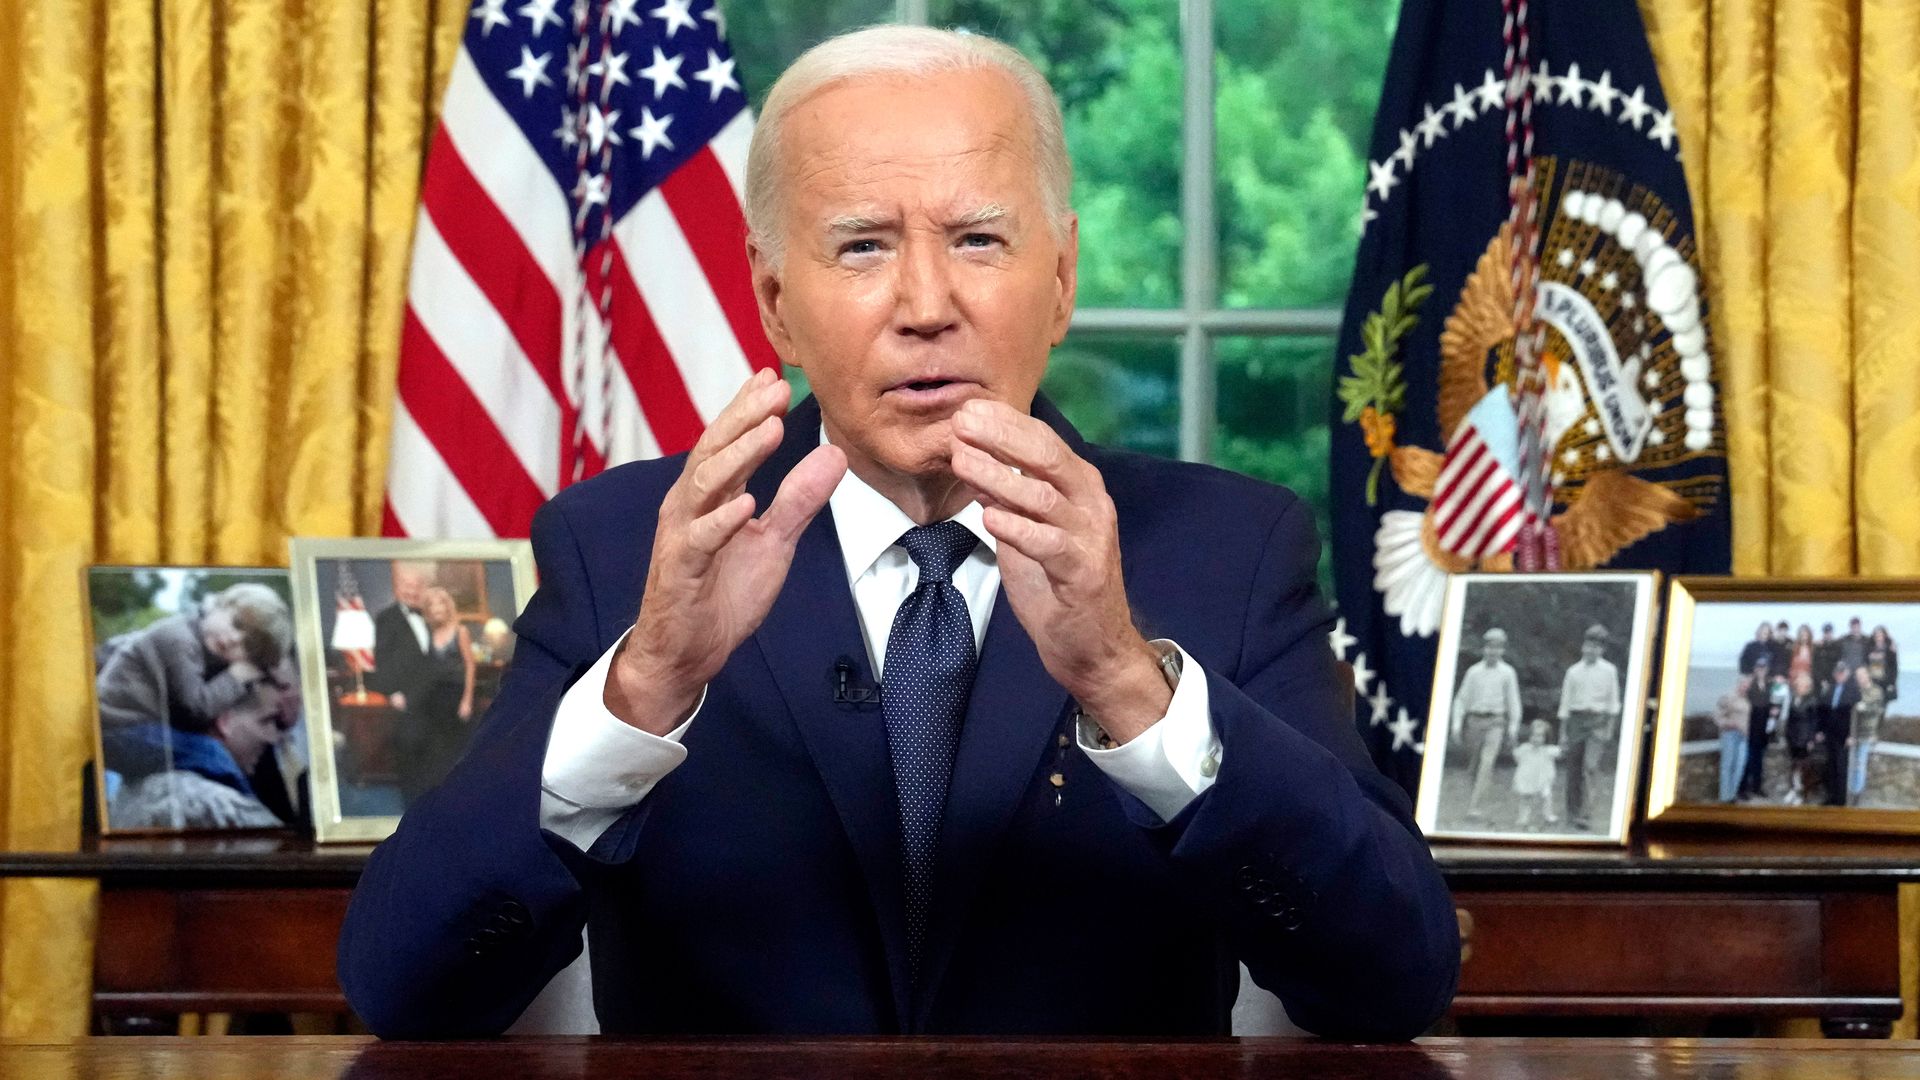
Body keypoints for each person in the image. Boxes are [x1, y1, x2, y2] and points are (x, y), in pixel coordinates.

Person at [337, 27, 1457, 1042]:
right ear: (775, 301)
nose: (927, 303)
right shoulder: (625, 547)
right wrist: (644, 688)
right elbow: (407, 990)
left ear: (1060, 280)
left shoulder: (1230, 546)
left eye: (977, 239)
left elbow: (1392, 982)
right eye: (864, 246)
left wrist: (1127, 682)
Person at [109, 663, 301, 830]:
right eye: (266, 721)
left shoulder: (138, 785)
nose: (273, 739)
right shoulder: (219, 808)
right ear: (224, 720)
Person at [95, 582, 292, 735]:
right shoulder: (180, 638)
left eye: (248, 645)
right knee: (206, 753)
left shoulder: (207, 651)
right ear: (220, 605)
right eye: (237, 623)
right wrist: (237, 676)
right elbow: (195, 709)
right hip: (114, 720)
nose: (234, 639)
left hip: (136, 723)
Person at [391, 586, 477, 803]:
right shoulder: (428, 633)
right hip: (432, 697)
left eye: (440, 605)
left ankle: (456, 795)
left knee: (455, 747)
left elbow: (470, 666)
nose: (437, 610)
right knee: (432, 746)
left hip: (455, 695)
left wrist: (467, 701)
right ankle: (433, 792)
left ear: (447, 607)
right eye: (432, 606)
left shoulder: (461, 631)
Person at [362, 561, 438, 797]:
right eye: (407, 585)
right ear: (397, 587)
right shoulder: (387, 619)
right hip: (407, 704)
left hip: (434, 700)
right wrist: (393, 693)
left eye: (418, 585)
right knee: (411, 761)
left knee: (438, 762)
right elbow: (381, 663)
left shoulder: (434, 615)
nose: (413, 591)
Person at [1451, 627, 1524, 822]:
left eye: (1498, 648)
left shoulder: (1508, 673)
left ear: (1503, 650)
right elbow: (1461, 700)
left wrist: (1513, 728)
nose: (1493, 652)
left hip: (1496, 722)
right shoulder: (1474, 672)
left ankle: (1474, 807)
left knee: (1487, 763)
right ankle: (1475, 798)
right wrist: (1457, 724)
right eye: (1490, 647)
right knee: (1474, 766)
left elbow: (1513, 702)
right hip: (1475, 721)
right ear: (1485, 649)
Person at [1556, 624, 1621, 830]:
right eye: (1589, 645)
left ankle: (1586, 814)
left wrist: (1610, 726)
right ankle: (1572, 812)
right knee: (1573, 769)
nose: (1592, 650)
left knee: (1590, 767)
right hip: (1576, 721)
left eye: (1597, 646)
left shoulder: (1609, 671)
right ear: (1583, 647)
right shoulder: (1573, 672)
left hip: (1598, 722)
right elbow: (1565, 704)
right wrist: (1563, 732)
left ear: (1602, 649)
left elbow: (1613, 702)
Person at [1820, 661, 1861, 806]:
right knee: (1830, 767)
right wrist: (1821, 730)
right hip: (1830, 734)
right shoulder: (1830, 689)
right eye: (1837, 672)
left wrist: (1852, 735)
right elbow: (1823, 711)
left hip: (1844, 736)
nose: (1839, 675)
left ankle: (1841, 800)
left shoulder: (1854, 690)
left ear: (1847, 673)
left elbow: (1856, 716)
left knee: (1841, 767)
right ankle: (1831, 797)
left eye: (1842, 672)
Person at [1737, 654, 1776, 800]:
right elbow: (1746, 703)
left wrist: (1773, 709)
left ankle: (1757, 787)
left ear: (1767, 669)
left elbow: (1773, 702)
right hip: (1750, 727)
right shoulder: (1749, 685)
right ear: (1755, 669)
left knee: (1759, 761)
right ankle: (1742, 789)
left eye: (1764, 667)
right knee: (1747, 760)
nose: (1761, 670)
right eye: (1759, 667)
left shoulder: (1770, 685)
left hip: (1763, 729)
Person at [1510, 719, 1560, 831]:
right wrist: (1513, 743)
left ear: (1545, 738)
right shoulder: (1525, 748)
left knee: (1546, 796)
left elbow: (1561, 751)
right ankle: (1523, 818)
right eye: (1534, 735)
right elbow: (1516, 756)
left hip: (1543, 779)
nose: (1536, 739)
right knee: (1525, 798)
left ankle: (1548, 815)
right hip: (1528, 778)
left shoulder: (1548, 750)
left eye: (1540, 736)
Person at [1848, 665, 1887, 806]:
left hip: (1867, 732)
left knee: (1860, 764)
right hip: (1853, 732)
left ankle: (1856, 794)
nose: (1860, 678)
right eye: (1858, 676)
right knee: (1851, 763)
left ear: (1868, 675)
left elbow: (1878, 709)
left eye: (1862, 675)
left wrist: (1865, 706)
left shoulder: (1876, 691)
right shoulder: (1854, 691)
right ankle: (1850, 790)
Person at [1783, 672, 1821, 805]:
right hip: (1792, 737)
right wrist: (1786, 734)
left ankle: (1802, 793)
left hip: (1804, 738)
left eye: (1799, 683)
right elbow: (1789, 718)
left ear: (1807, 686)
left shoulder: (1812, 701)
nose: (1797, 685)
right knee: (1793, 765)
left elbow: (1814, 722)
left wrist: (1811, 739)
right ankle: (1793, 789)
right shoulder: (1793, 698)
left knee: (1804, 767)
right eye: (1797, 683)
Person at [1714, 675, 1753, 804]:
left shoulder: (1748, 699)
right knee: (1727, 765)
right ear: (1738, 684)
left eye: (1747, 685)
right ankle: (1724, 797)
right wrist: (1727, 723)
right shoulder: (1728, 697)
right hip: (1730, 735)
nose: (1745, 687)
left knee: (1739, 766)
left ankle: (1732, 794)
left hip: (1744, 736)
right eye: (1743, 684)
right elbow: (1717, 715)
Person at [1867, 625, 1898, 703]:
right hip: (1872, 681)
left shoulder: (1890, 650)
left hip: (1885, 681)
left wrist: (1891, 683)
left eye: (1880, 635)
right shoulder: (1869, 648)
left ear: (1884, 636)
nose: (1878, 637)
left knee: (1883, 706)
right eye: (1876, 635)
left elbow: (1894, 668)